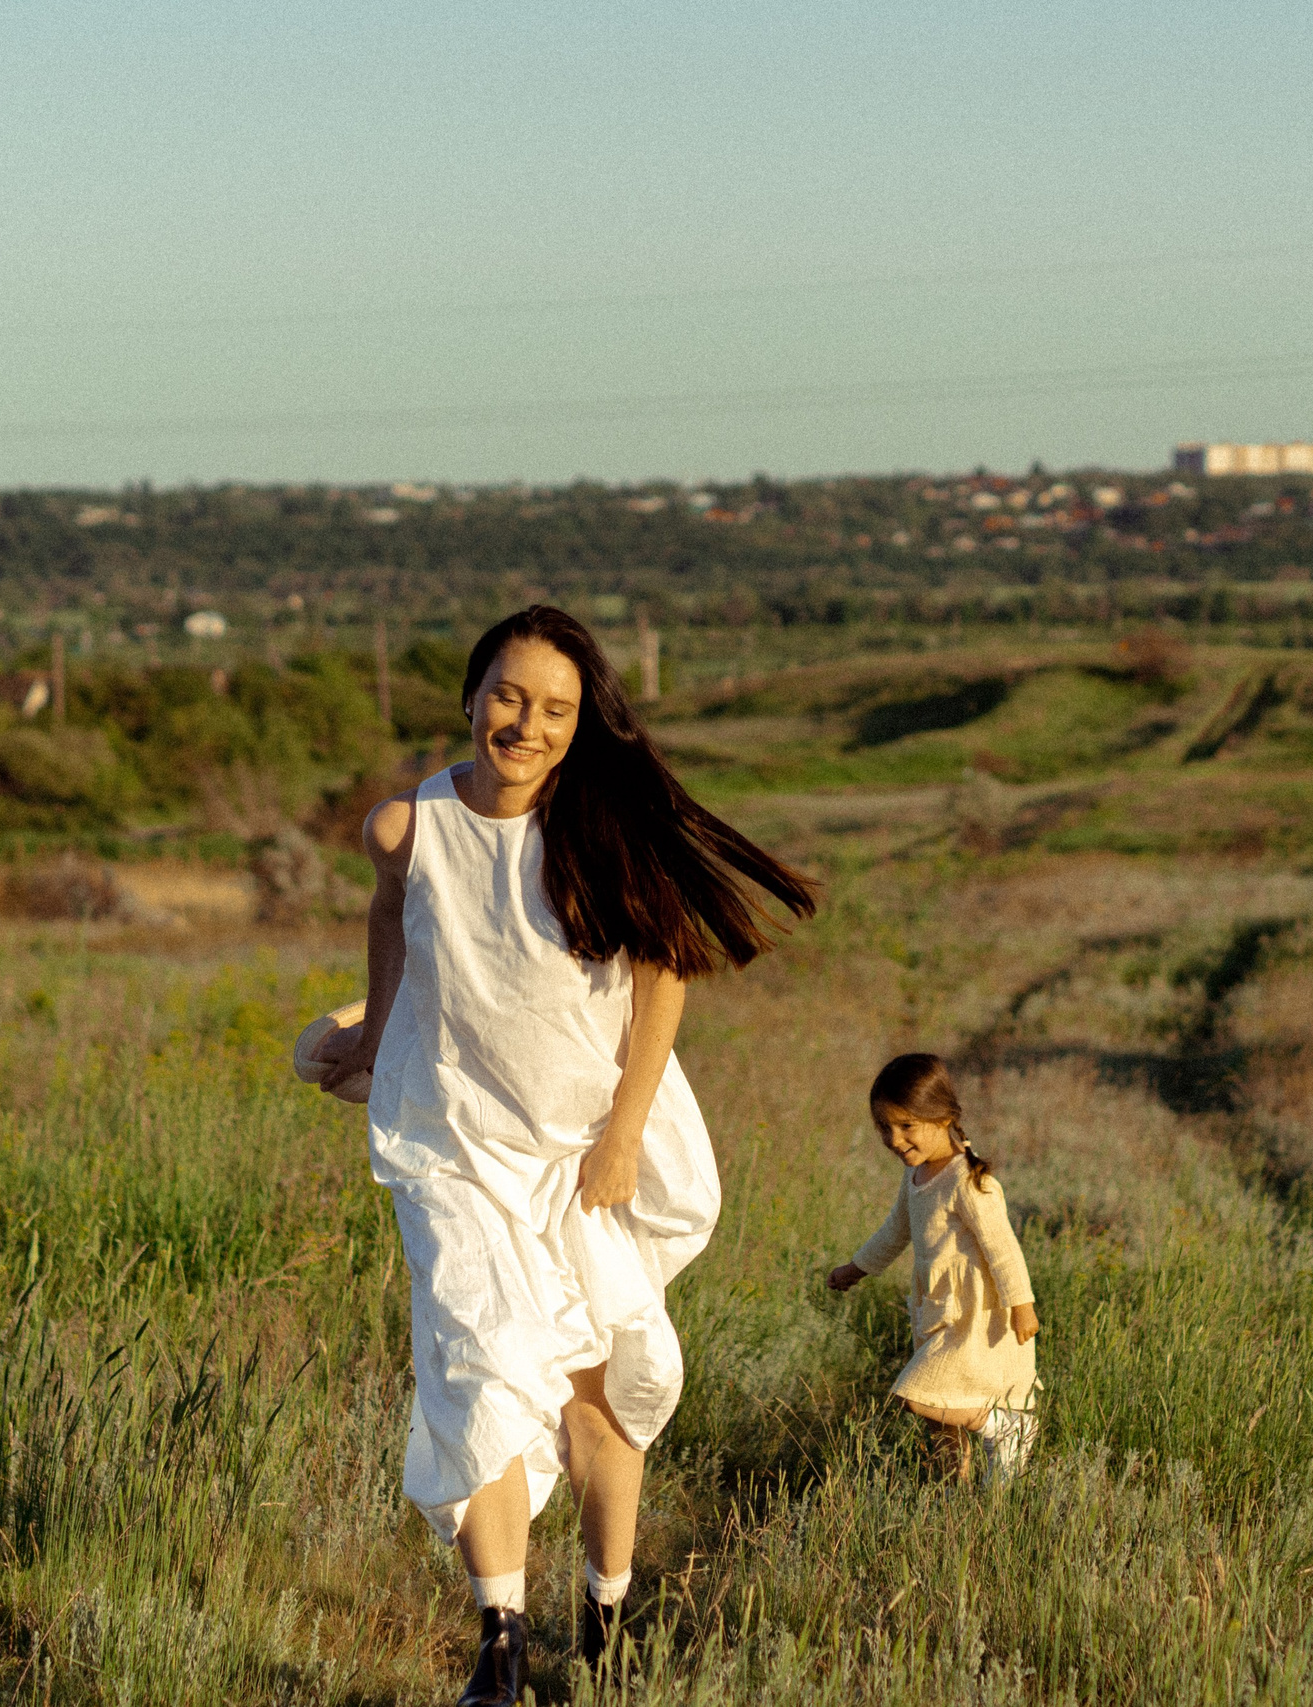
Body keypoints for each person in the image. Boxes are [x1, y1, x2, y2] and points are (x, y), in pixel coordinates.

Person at [305, 606, 816, 1707]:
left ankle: (606, 1610)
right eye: (506, 696)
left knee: (596, 1399)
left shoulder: (600, 831)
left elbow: (662, 979)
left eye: (553, 709)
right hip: (456, 1144)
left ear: (584, 724)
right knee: (476, 1367)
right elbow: (393, 927)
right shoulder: (406, 827)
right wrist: (377, 1046)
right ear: (469, 696)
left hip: (589, 1143)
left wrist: (625, 1134)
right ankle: (498, 1644)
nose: (524, 725)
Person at [826, 1053, 1042, 1483]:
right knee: (937, 1421)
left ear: (943, 1117)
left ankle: (1003, 1427)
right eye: (884, 1127)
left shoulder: (967, 1181)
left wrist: (1022, 1305)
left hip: (974, 1317)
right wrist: (857, 1267)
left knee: (919, 1397)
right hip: (936, 1311)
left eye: (907, 1126)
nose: (894, 1138)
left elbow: (1003, 1249)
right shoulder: (916, 1177)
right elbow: (894, 1232)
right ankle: (950, 1495)